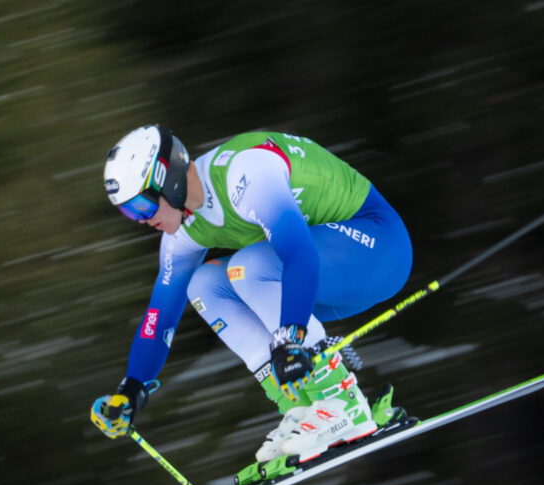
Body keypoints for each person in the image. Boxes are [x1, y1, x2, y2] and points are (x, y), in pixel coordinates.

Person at [90, 125, 412, 464]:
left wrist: (291, 338)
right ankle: (302, 408)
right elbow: (161, 315)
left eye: (141, 207)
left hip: (379, 248)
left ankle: (342, 401)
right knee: (204, 285)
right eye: (129, 213)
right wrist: (131, 387)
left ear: (167, 182)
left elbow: (299, 254)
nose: (140, 220)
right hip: (320, 282)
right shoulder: (182, 232)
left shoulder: (245, 173)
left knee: (248, 266)